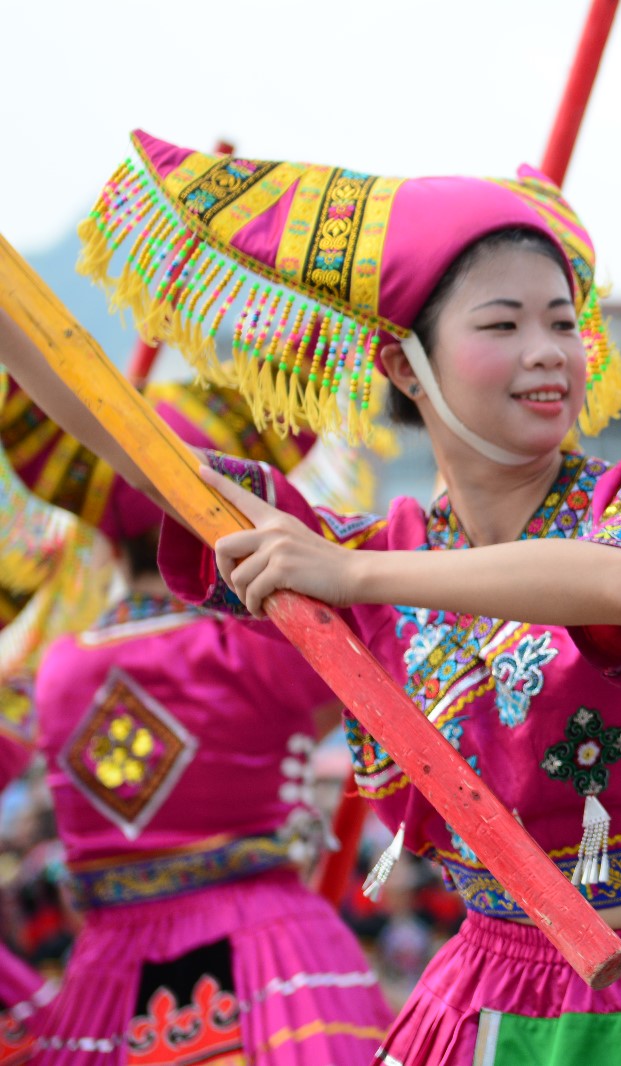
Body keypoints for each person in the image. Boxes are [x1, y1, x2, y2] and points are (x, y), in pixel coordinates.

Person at [0, 131, 621, 1065]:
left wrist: (353, 577)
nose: (548, 354)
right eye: (503, 326)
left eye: (562, 323)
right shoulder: (378, 547)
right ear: (407, 365)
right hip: (481, 990)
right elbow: (123, 438)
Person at [0, 375, 393, 1063]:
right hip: (273, 965)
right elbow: (372, 692)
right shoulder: (260, 644)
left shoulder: (56, 670)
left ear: (99, 526)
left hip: (112, 978)